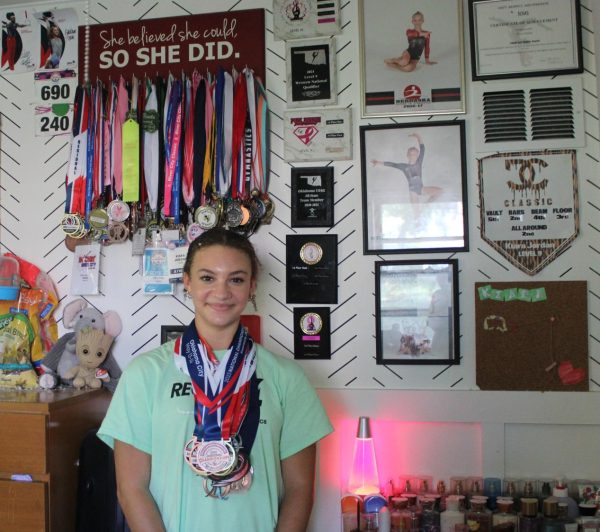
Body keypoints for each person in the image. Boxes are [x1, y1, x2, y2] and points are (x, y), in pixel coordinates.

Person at [98, 227, 333, 531]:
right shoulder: (145, 374)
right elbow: (131, 489)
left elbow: (300, 491)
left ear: (251, 287)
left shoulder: (287, 377)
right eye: (208, 278)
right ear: (187, 283)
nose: (221, 292)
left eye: (235, 279)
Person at [371, 132, 442, 223]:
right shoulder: (404, 167)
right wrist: (378, 163)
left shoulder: (418, 163)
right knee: (416, 215)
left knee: (439, 192)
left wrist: (418, 137)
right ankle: (417, 223)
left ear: (417, 156)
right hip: (413, 192)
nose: (413, 156)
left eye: (415, 154)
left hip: (421, 188)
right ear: (407, 155)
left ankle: (425, 208)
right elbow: (393, 164)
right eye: (411, 154)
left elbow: (423, 149)